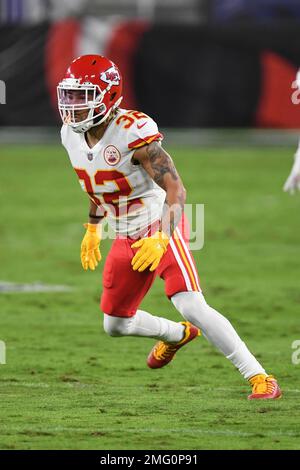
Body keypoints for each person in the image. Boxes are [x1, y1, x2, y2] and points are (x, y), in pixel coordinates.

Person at [57, 54, 281, 400]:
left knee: (191, 303)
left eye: (83, 95)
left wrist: (162, 236)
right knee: (115, 324)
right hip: (125, 232)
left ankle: (259, 376)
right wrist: (92, 227)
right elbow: (98, 186)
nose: (73, 105)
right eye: (69, 95)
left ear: (109, 95)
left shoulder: (133, 130)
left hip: (161, 222)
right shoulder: (70, 136)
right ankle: (177, 335)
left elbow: (176, 189)